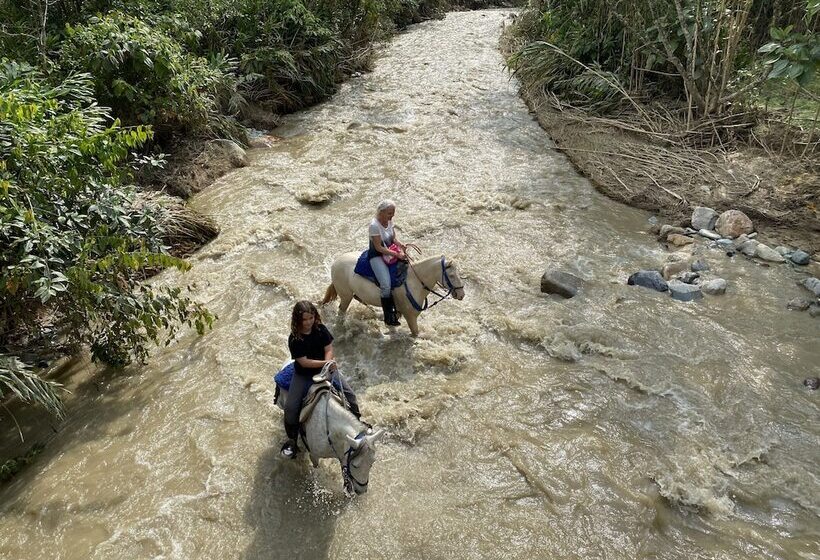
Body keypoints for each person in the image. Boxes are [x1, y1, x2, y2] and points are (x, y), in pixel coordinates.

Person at [281, 300, 362, 458]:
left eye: (311, 318)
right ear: (298, 320)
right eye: (305, 319)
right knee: (291, 408)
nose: (309, 322)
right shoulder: (295, 338)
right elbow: (304, 362)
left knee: (351, 395)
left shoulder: (320, 329)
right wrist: (327, 362)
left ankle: (358, 425)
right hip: (304, 375)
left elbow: (329, 348)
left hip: (327, 370)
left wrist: (329, 362)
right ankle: (292, 440)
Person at [368, 199, 406, 326]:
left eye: (393, 213)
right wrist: (397, 254)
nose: (392, 215)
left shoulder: (389, 221)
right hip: (377, 256)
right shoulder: (374, 225)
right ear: (381, 212)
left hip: (390, 251)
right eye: (390, 213)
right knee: (386, 285)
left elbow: (393, 238)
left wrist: (400, 245)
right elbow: (378, 247)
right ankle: (389, 317)